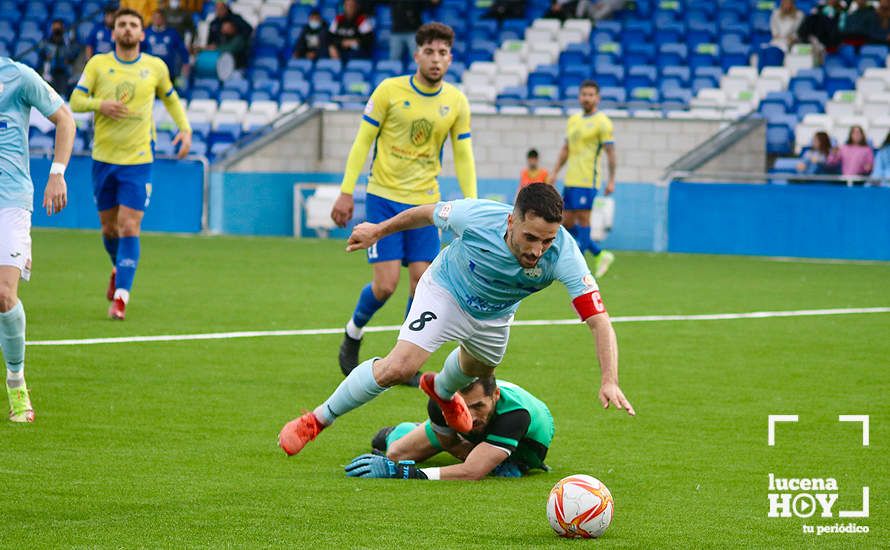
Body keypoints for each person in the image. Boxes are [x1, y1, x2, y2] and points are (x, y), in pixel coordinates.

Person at [279, 184, 635, 459]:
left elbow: (599, 321)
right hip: (446, 292)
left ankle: (444, 392)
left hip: (495, 317)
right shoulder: (477, 216)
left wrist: (610, 380)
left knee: (481, 368)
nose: (537, 250)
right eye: (530, 237)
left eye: (547, 240)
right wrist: (378, 231)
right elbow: (424, 214)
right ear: (511, 221)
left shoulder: (564, 255)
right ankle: (317, 419)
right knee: (398, 368)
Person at [330, 23, 477, 381]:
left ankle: (403, 358)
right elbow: (363, 142)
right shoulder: (388, 91)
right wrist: (347, 190)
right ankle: (353, 333)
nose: (436, 59)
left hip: (427, 205)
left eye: (443, 53)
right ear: (417, 55)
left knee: (422, 282)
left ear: (450, 57)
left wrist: (471, 207)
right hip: (384, 197)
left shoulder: (456, 102)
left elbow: (463, 155)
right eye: (429, 51)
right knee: (385, 285)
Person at [70, 8, 192, 320]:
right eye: (121, 24)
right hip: (103, 159)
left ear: (142, 33)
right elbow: (75, 101)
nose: (127, 29)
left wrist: (185, 129)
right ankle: (117, 268)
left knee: (129, 225)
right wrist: (101, 104)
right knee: (109, 228)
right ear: (113, 33)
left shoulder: (155, 67)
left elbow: (171, 98)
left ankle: (121, 297)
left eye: (133, 25)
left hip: (139, 160)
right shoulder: (99, 64)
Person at [0, 57, 75, 422]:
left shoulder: (18, 75)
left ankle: (16, 383)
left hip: (10, 199)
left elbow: (65, 118)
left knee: (3, 294)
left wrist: (56, 173)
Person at [346, 377, 554, 480]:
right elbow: (450, 445)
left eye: (478, 406)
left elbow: (472, 472)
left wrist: (407, 473)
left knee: (483, 465)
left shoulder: (515, 414)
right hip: (477, 436)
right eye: (463, 407)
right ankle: (401, 431)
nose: (471, 418)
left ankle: (497, 456)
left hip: (525, 450)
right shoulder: (441, 401)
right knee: (395, 453)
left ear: (495, 395)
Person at [547, 80, 616, 279]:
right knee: (565, 222)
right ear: (579, 96)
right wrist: (555, 172)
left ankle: (580, 270)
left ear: (597, 98)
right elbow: (566, 149)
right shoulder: (573, 120)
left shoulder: (603, 122)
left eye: (590, 95)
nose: (586, 98)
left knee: (584, 220)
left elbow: (611, 153)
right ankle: (601, 254)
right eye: (583, 94)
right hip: (571, 179)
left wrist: (611, 180)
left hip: (588, 180)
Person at [144, 9, 191, 82]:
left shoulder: (172, 33)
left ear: (164, 19)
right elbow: (138, 49)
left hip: (168, 72)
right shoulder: (146, 33)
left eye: (159, 18)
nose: (157, 20)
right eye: (155, 18)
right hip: (150, 72)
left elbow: (182, 49)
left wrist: (186, 63)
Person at [40, 19, 81, 97]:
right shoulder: (47, 42)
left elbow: (74, 53)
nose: (57, 30)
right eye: (55, 27)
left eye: (58, 27)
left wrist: (69, 59)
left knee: (62, 92)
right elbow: (42, 54)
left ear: (62, 28)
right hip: (51, 71)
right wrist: (47, 57)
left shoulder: (67, 42)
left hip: (65, 72)